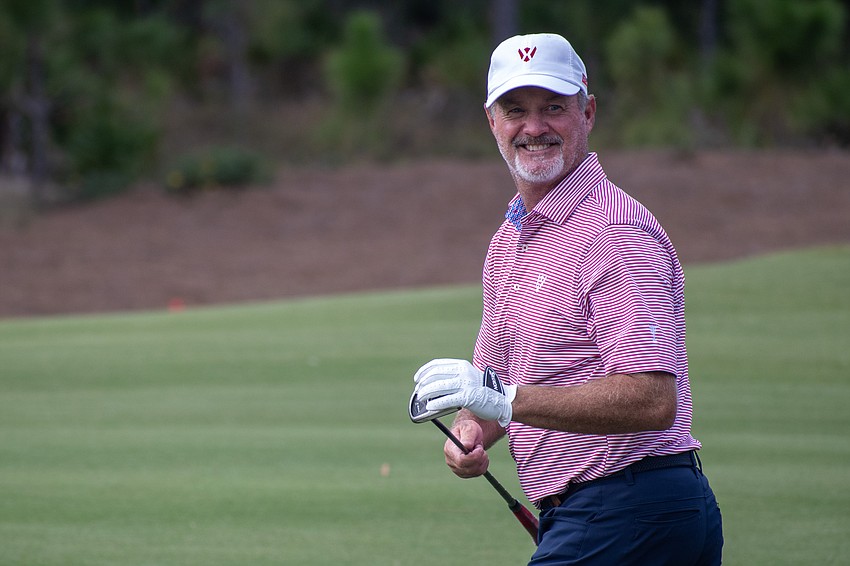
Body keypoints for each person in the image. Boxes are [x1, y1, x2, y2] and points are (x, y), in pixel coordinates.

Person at [412, 33, 723, 564]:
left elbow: (652, 400)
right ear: (492, 122)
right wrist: (471, 430)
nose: (534, 127)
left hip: (634, 508)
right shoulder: (509, 239)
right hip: (597, 516)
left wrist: (505, 402)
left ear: (588, 112)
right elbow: (497, 386)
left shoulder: (618, 231)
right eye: (516, 110)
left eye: (553, 107)